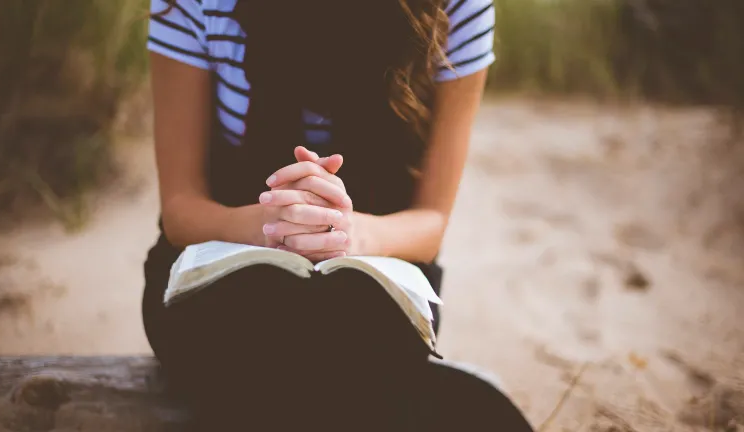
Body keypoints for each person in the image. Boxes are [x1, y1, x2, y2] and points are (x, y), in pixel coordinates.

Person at [141, 0, 533, 430]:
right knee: (274, 341)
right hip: (220, 270)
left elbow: (430, 222)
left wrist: (344, 233)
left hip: (376, 278)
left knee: (346, 332)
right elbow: (181, 208)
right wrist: (274, 225)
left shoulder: (458, 5)